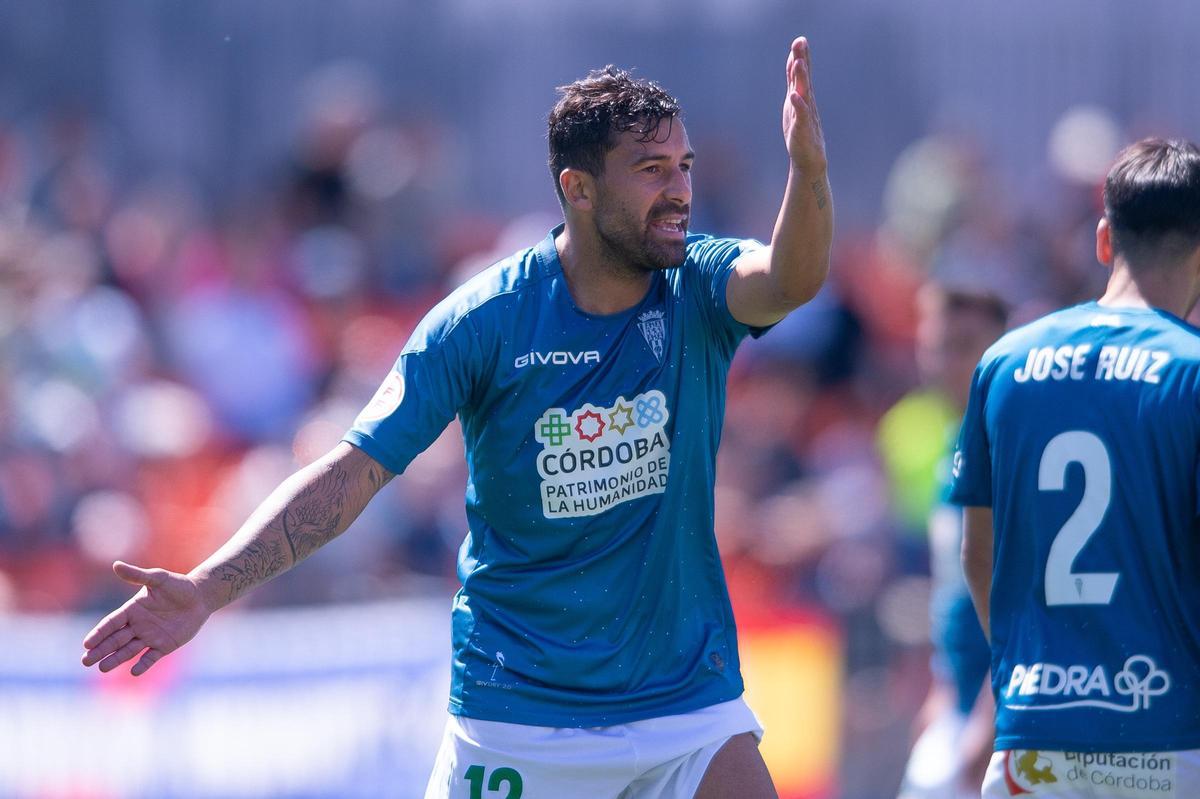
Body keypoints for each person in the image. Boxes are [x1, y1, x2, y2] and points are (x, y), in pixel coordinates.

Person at [81, 37, 833, 798]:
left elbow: (790, 277)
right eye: (650, 170)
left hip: (686, 705)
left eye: (684, 167)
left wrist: (808, 171)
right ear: (578, 188)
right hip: (522, 715)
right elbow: (353, 471)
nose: (678, 191)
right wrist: (209, 586)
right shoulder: (484, 321)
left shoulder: (696, 285)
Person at [951, 138, 1200, 797]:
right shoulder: (1193, 373)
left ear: (1102, 239)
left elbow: (978, 551)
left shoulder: (1004, 363)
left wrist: (1026, 671)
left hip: (1034, 741)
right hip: (1170, 741)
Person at [894, 281, 1007, 799]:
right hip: (958, 706)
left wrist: (991, 717)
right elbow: (955, 583)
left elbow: (1022, 600)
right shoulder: (952, 440)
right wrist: (942, 689)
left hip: (1002, 713)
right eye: (936, 345)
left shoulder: (1009, 450)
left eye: (964, 345)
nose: (946, 361)